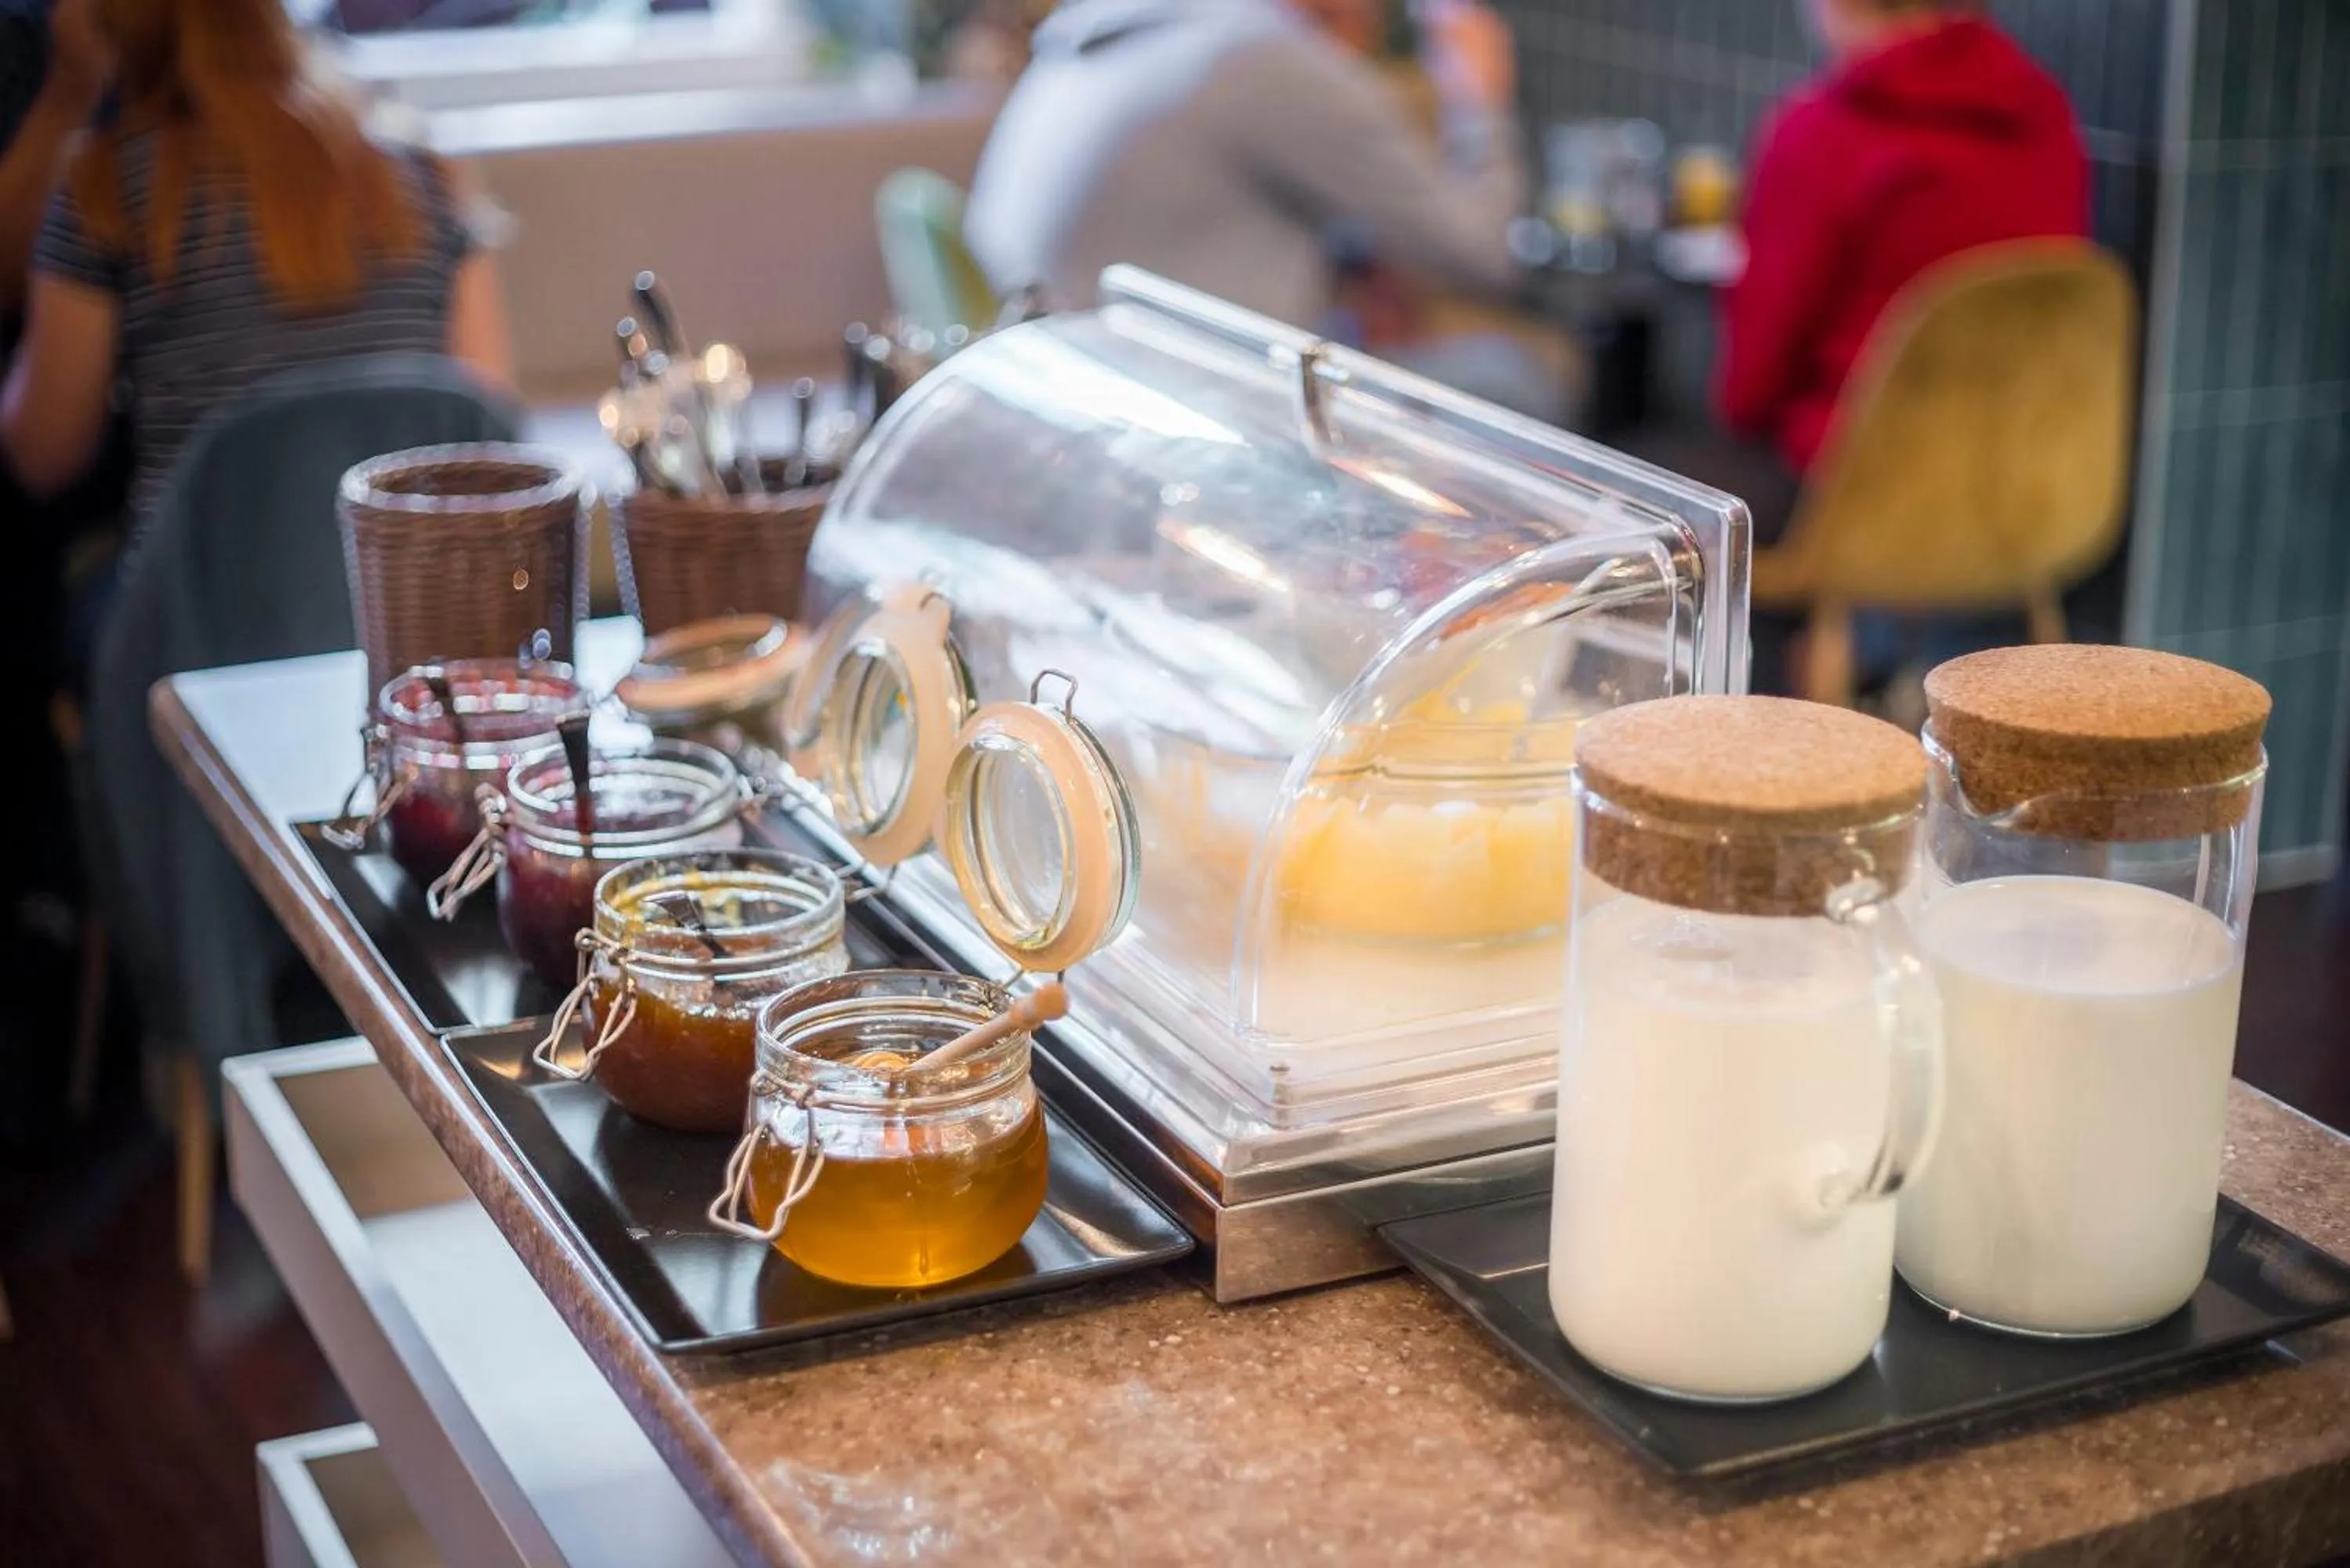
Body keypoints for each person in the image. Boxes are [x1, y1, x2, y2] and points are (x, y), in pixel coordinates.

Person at [0, 0, 514, 517]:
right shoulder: (425, 172)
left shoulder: (107, 187)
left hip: (205, 589)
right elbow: (487, 427)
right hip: (405, 582)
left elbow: (43, 454)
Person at [964, 0, 1570, 419]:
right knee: (1511, 377)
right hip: (1185, 408)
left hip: (1057, 380)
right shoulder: (1259, 54)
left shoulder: (1110, 25)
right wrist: (1476, 95)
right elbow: (1489, 253)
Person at [1707, 0, 2088, 541]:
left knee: (1635, 483)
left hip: (1856, 493)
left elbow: (1748, 392)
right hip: (2025, 484)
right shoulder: (2044, 114)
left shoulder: (1820, 133)